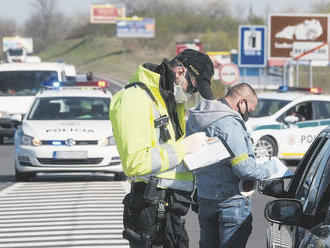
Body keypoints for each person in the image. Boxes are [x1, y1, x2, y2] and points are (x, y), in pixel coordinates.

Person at [109, 49, 215, 248]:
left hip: (171, 209)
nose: (191, 94)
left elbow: (170, 151)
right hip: (150, 209)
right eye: (192, 88)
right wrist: (184, 148)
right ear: (180, 72)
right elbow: (135, 163)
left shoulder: (170, 100)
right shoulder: (136, 98)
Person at [186, 83, 278, 248]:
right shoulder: (230, 124)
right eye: (250, 108)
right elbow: (243, 167)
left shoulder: (198, 115)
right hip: (230, 202)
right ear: (241, 102)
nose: (249, 113)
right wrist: (269, 170)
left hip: (205, 197)